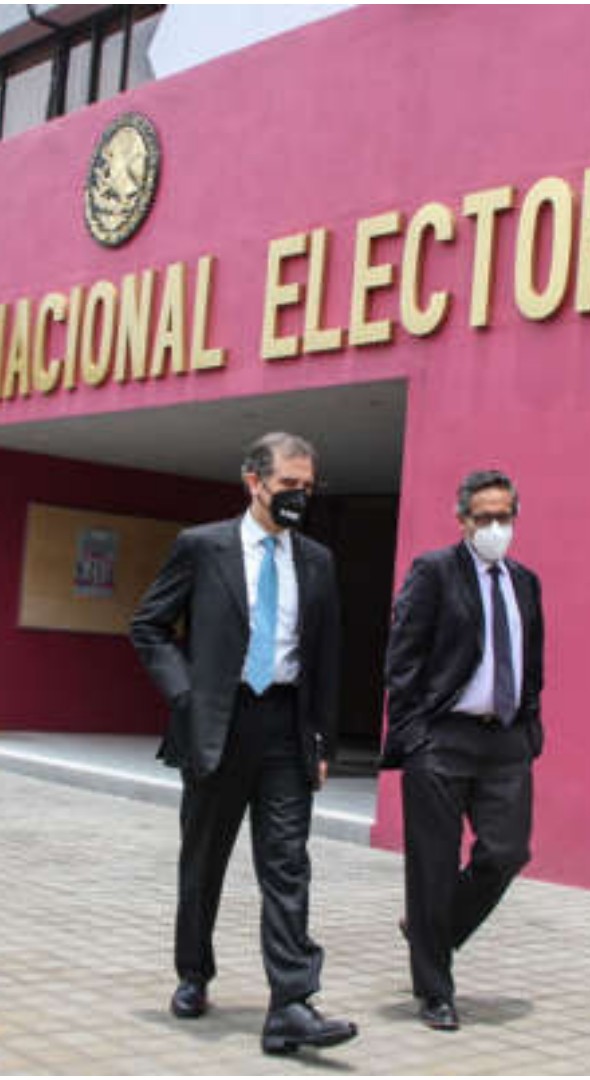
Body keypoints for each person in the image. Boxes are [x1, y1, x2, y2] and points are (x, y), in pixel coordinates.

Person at [129, 432, 357, 1055]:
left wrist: (324, 741)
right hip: (217, 727)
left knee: (286, 865)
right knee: (204, 863)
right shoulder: (202, 548)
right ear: (253, 482)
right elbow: (148, 625)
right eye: (288, 486)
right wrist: (187, 695)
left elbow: (328, 657)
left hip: (286, 728)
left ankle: (291, 1003)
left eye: (308, 489)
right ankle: (194, 973)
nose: (299, 499)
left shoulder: (317, 560)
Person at [380, 469, 546, 1033]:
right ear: (462, 520)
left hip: (504, 741)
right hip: (442, 737)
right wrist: (412, 738)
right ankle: (435, 991)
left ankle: (433, 930)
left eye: (505, 516)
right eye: (484, 518)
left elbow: (533, 659)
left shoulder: (525, 581)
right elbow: (402, 661)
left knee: (506, 852)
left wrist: (531, 729)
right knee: (432, 866)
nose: (496, 527)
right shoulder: (434, 572)